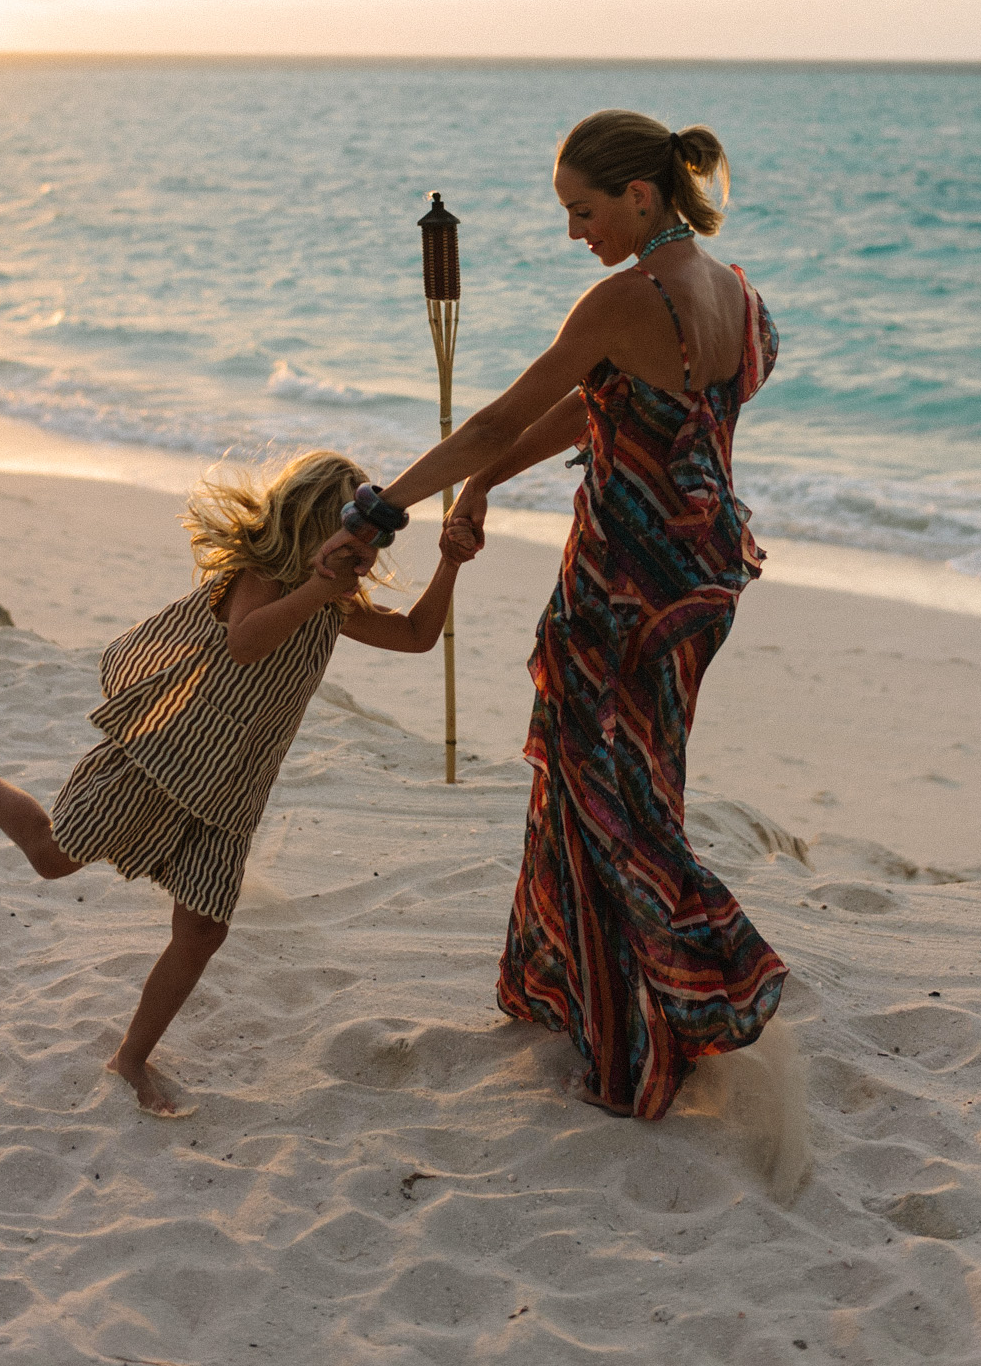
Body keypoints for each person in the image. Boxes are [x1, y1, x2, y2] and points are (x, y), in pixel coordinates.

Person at [321, 110, 787, 1118]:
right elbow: (608, 407)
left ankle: (703, 989)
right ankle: (576, 998)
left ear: (639, 195)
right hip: (701, 581)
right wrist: (486, 481)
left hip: (621, 588)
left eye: (583, 212)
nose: (575, 233)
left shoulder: (628, 296)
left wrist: (382, 506)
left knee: (607, 799)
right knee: (619, 784)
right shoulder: (735, 293)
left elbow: (501, 408)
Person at [0, 449, 477, 1116]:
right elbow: (247, 641)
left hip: (230, 791)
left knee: (201, 933)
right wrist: (318, 590)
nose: (364, 548)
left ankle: (131, 1057)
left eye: (372, 536)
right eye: (355, 531)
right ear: (308, 526)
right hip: (161, 760)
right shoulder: (263, 576)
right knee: (52, 858)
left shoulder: (335, 604)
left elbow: (419, 636)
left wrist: (450, 562)